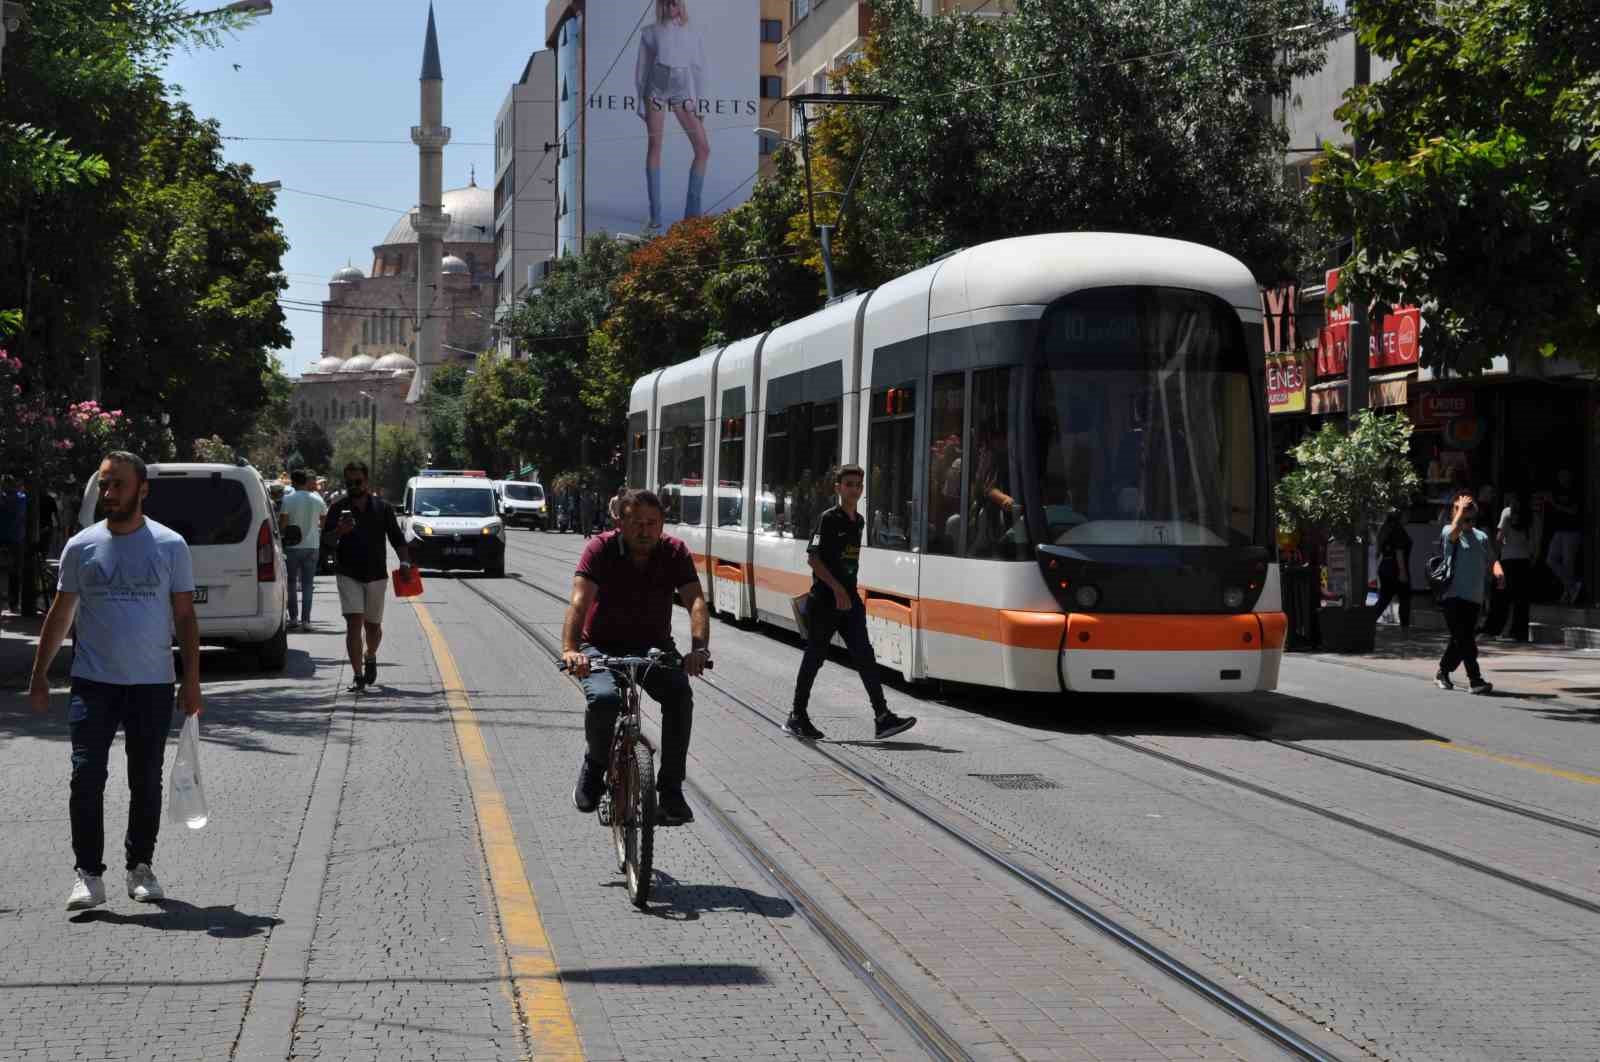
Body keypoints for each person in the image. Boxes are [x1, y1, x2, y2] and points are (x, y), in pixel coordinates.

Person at [27, 451, 202, 911]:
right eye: (104, 485)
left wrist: (192, 681)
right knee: (86, 777)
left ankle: (140, 867)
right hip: (93, 683)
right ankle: (88, 874)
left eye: (118, 485)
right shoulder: (81, 546)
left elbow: (184, 617)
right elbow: (61, 613)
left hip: (151, 685)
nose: (109, 493)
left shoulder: (170, 545)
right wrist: (40, 675)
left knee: (145, 779)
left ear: (142, 489)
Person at [562, 489, 708, 826]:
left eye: (652, 523)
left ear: (662, 524)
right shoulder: (600, 549)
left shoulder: (674, 552)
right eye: (637, 523)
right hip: (600, 647)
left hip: (653, 648)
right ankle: (595, 767)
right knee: (603, 699)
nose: (645, 530)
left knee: (679, 695)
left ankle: (671, 790)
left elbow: (696, 602)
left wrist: (699, 649)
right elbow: (579, 601)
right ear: (621, 522)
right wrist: (571, 650)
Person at [784, 465, 917, 742]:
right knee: (815, 657)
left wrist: (848, 594)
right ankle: (797, 715)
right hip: (825, 600)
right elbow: (813, 559)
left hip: (849, 600)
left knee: (865, 655)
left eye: (858, 485)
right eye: (849, 485)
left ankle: (882, 717)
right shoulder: (828, 519)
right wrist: (836, 590)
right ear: (838, 488)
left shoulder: (858, 521)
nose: (854, 489)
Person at [321, 461, 410, 692]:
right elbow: (326, 542)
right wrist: (339, 531)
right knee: (354, 624)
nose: (353, 486)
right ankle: (358, 675)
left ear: (366, 481)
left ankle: (370, 655)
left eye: (357, 481)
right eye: (349, 482)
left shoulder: (382, 507)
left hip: (376, 575)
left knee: (373, 627)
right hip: (348, 573)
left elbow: (397, 538)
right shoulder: (337, 508)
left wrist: (405, 562)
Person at [635, 0, 710, 230]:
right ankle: (655, 214)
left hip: (681, 90)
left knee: (703, 148)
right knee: (655, 145)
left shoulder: (692, 33)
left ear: (681, 6)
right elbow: (642, 69)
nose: (670, 8)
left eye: (675, 3)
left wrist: (699, 102)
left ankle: (692, 214)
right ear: (661, 6)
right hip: (656, 89)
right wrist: (640, 100)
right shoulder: (649, 32)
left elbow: (698, 69)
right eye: (666, 4)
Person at [1435, 488, 1505, 695]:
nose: (1466, 512)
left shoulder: (1481, 536)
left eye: (1468, 508)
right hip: (1452, 596)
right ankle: (1475, 680)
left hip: (1474, 597)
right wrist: (1459, 512)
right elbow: (1456, 529)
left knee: (1460, 639)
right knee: (1466, 639)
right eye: (1460, 508)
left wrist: (1499, 573)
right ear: (1454, 512)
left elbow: (1492, 560)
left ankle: (1442, 672)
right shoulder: (1449, 531)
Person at [278, 468, 328, 630]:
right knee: (307, 584)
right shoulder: (317, 498)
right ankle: (306, 620)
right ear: (306, 481)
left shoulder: (288, 499)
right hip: (312, 545)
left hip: (292, 546)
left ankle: (293, 618)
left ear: (292, 481)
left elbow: (283, 523)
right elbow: (323, 522)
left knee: (291, 582)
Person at [1484, 491, 1532, 641]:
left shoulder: (1507, 512)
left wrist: (1496, 557)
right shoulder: (1531, 514)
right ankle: (1519, 632)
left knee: (1500, 598)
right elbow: (1535, 540)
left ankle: (1493, 629)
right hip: (1524, 559)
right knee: (1521, 600)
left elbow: (1499, 538)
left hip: (1508, 559)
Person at [1543, 468, 1582, 604]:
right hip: (1558, 530)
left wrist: (1554, 503)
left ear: (1570, 476)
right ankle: (1572, 586)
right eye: (1560, 475)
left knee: (1568, 564)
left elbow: (1573, 511)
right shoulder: (1556, 491)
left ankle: (1568, 592)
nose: (1562, 478)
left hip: (1571, 531)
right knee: (1550, 560)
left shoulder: (1575, 491)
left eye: (1565, 475)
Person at [1372, 509, 1413, 628]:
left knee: (1384, 599)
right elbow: (1399, 552)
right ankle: (1405, 627)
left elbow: (1380, 552)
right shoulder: (1398, 530)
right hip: (1396, 569)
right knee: (1405, 599)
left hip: (1386, 568)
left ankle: (1368, 621)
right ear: (1401, 516)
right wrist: (1403, 572)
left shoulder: (1386, 529)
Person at [0, 474, 25, 613]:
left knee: (13, 573)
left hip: (9, 539)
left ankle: (13, 602)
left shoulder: (7, 498)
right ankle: (13, 603)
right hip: (16, 539)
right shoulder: (21, 498)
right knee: (14, 573)